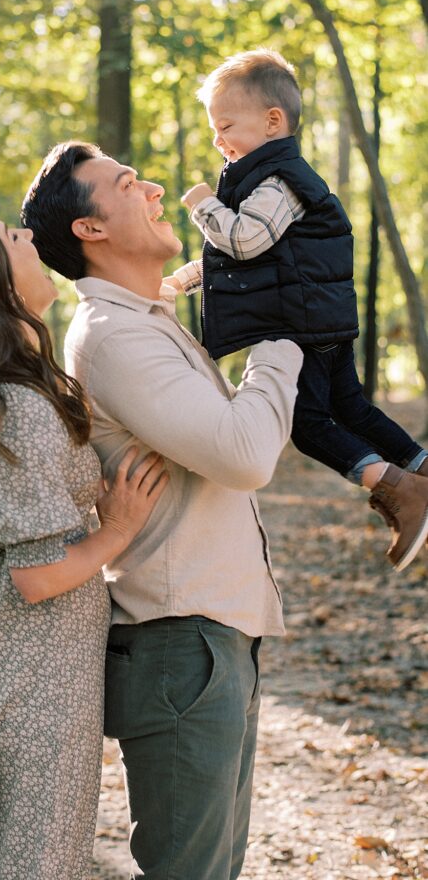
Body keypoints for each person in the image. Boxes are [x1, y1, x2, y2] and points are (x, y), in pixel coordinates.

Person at [21, 142, 304, 880]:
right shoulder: (115, 338)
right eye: (125, 183)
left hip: (212, 642)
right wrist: (282, 340)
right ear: (91, 229)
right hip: (183, 647)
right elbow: (244, 456)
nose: (150, 187)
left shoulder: (146, 322)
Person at [0, 209, 167, 880]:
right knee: (33, 853)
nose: (34, 242)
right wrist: (119, 529)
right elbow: (38, 575)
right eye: (16, 239)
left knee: (1, 849)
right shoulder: (13, 405)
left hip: (2, 663)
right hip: (30, 679)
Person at [168, 48, 428, 573]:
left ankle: (403, 493)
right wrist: (185, 280)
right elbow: (253, 259)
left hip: (304, 324)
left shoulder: (279, 180)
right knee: (350, 408)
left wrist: (201, 203)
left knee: (306, 423)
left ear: (272, 122)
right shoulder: (272, 177)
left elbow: (245, 241)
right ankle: (421, 469)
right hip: (318, 317)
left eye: (225, 126)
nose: (218, 141)